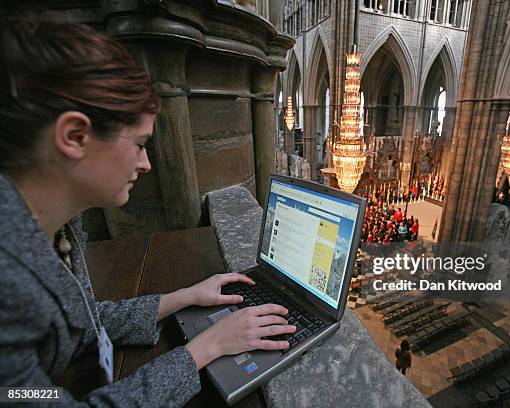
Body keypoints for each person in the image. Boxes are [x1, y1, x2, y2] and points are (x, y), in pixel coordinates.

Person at [0, 11, 296, 407]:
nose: (146, 164)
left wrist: (185, 296)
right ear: (74, 136)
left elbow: (83, 323)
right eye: (139, 144)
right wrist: (205, 349)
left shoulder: (58, 226)